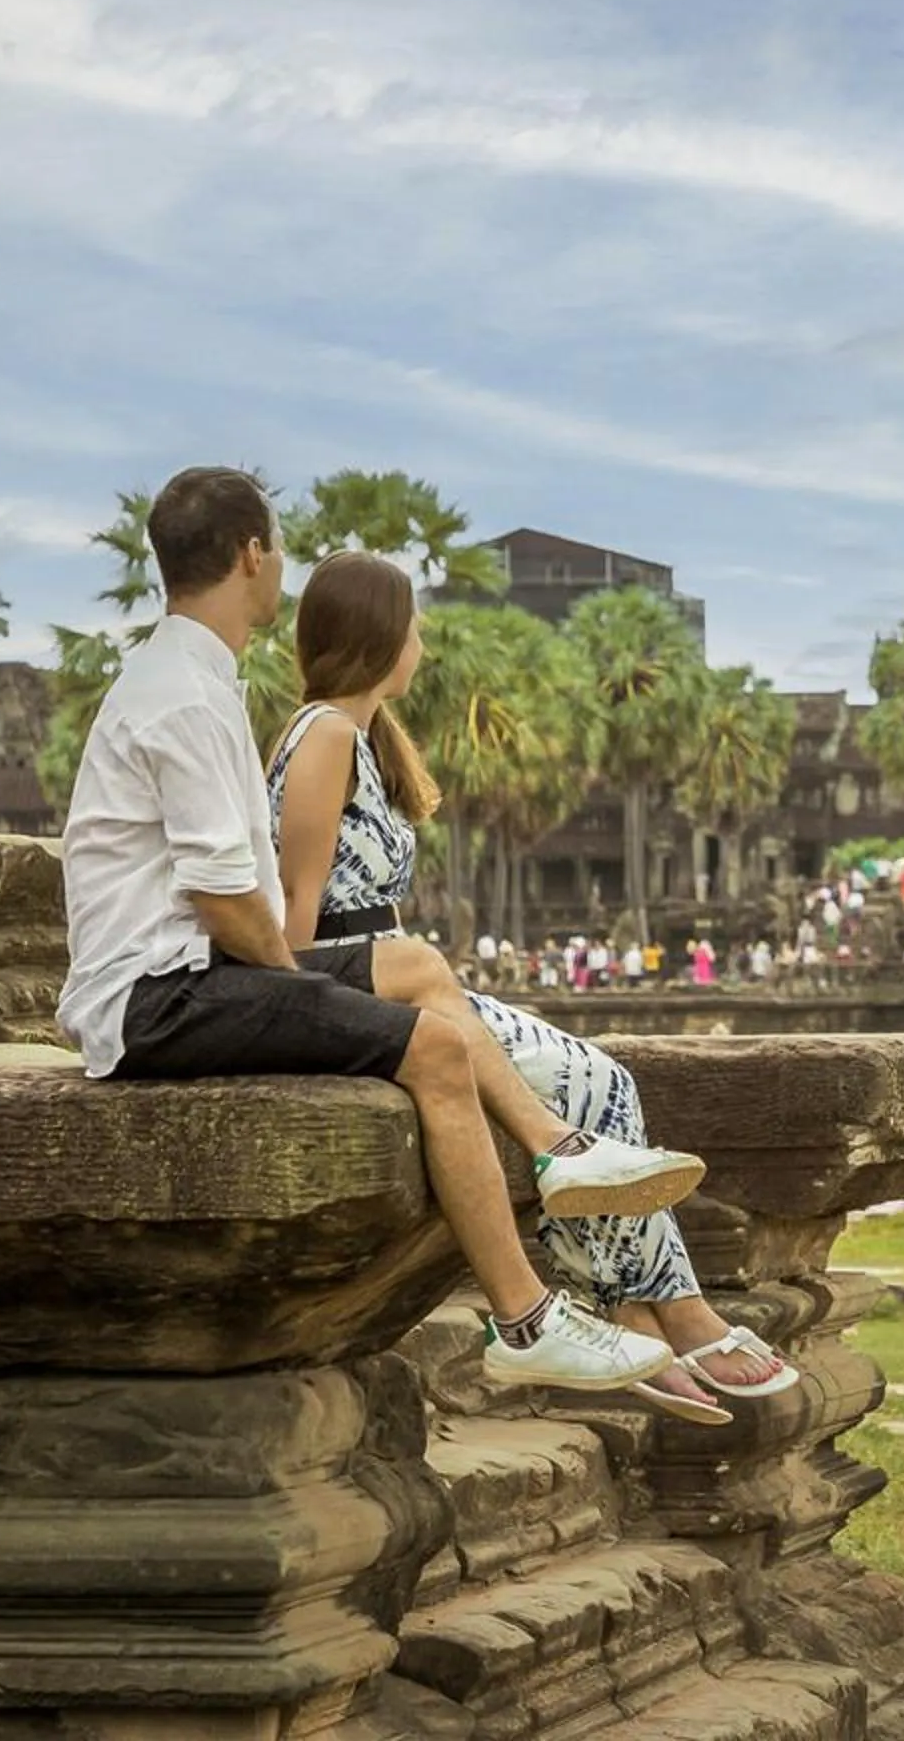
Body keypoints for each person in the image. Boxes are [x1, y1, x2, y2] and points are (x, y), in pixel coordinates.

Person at [57, 470, 679, 1397]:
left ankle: (559, 1153)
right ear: (250, 555)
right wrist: (296, 988)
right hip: (161, 998)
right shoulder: (186, 695)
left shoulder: (192, 678)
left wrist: (300, 978)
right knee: (431, 1051)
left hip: (188, 974)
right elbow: (227, 901)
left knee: (419, 966)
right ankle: (527, 1317)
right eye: (278, 552)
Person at [269, 547, 795, 1425]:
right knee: (598, 1084)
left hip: (402, 979)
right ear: (379, 634)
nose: (424, 643)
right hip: (364, 991)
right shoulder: (323, 732)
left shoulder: (361, 737)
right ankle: (677, 1313)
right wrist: (295, 1020)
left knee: (605, 1082)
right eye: (413, 626)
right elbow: (297, 906)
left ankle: (636, 1313)